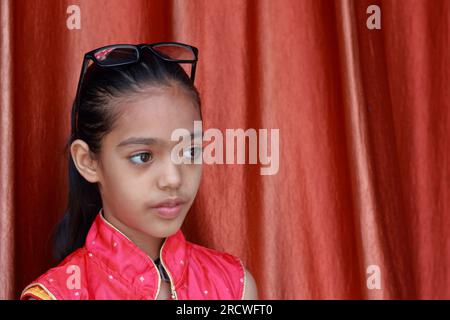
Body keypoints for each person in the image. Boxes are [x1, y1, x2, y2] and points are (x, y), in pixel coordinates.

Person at [20, 42, 258, 300]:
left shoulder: (234, 285)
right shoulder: (59, 295)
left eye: (189, 152)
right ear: (88, 161)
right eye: (143, 156)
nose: (173, 179)